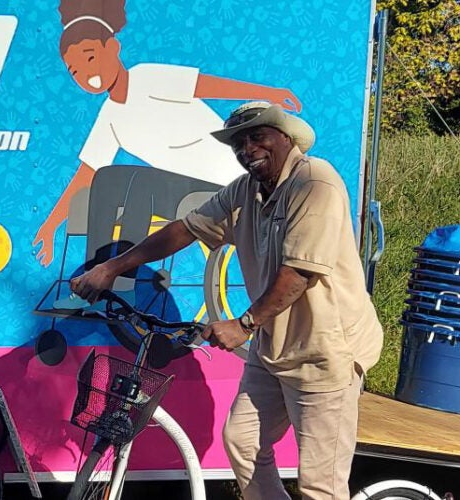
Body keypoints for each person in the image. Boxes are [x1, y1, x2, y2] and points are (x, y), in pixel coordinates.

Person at [69, 101, 383, 499]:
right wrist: (112, 267)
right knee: (243, 441)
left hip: (325, 353)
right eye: (238, 143)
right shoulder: (245, 191)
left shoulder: (314, 183)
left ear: (285, 137)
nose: (247, 148)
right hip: (274, 347)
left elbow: (299, 274)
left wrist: (243, 324)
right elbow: (186, 229)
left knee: (320, 485)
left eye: (257, 136)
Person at [33, 0, 302, 300]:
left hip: (227, 187)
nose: (87, 74)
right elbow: (87, 173)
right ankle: (99, 282)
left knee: (138, 185)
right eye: (75, 71)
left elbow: (207, 85)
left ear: (113, 48)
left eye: (91, 58)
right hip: (182, 193)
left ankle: (117, 286)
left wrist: (269, 93)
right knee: (107, 180)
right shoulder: (110, 115)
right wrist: (50, 226)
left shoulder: (147, 77)